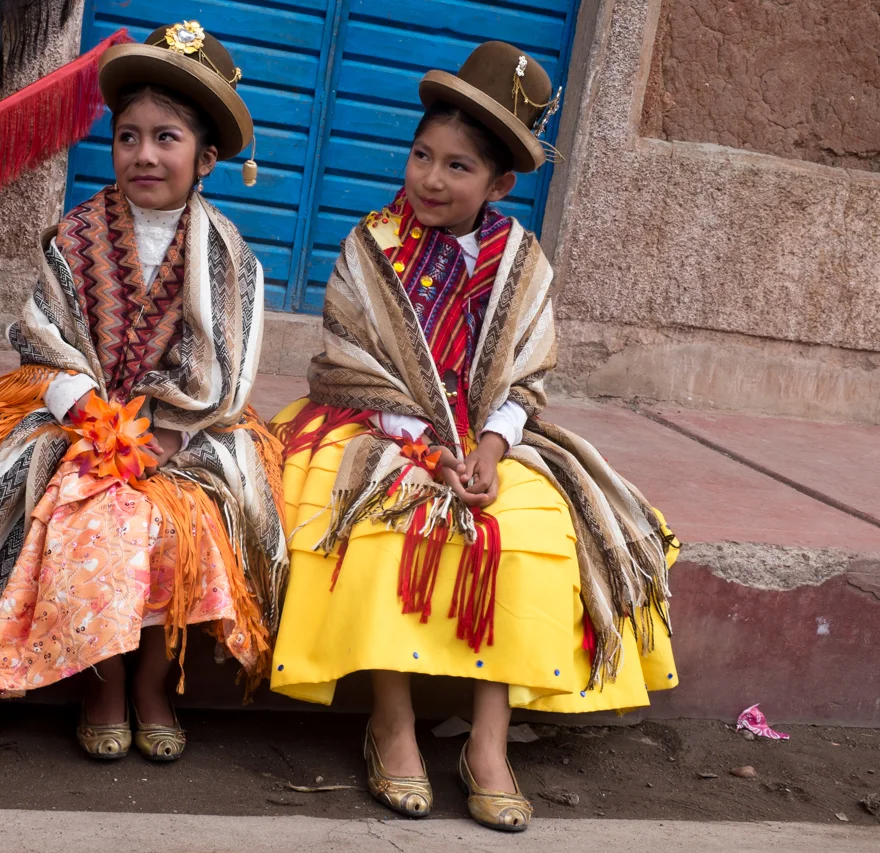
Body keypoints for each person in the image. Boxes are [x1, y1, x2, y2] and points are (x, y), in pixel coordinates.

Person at [268, 41, 679, 830]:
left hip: (487, 442)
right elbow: (353, 362)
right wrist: (424, 447)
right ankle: (392, 723)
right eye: (422, 155)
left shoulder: (522, 262)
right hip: (380, 426)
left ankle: (487, 742)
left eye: (458, 167)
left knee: (530, 531)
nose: (429, 177)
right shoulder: (369, 247)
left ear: (501, 185)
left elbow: (525, 377)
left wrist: (488, 452)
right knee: (382, 524)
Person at [0, 21, 288, 762]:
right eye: (127, 136)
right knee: (84, 511)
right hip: (82, 418)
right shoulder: (76, 235)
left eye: (167, 138)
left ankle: (153, 681)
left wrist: (162, 438)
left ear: (209, 157)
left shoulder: (230, 255)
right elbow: (46, 334)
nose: (143, 154)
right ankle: (102, 679)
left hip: (185, 430)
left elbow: (223, 366)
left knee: (188, 522)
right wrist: (84, 411)